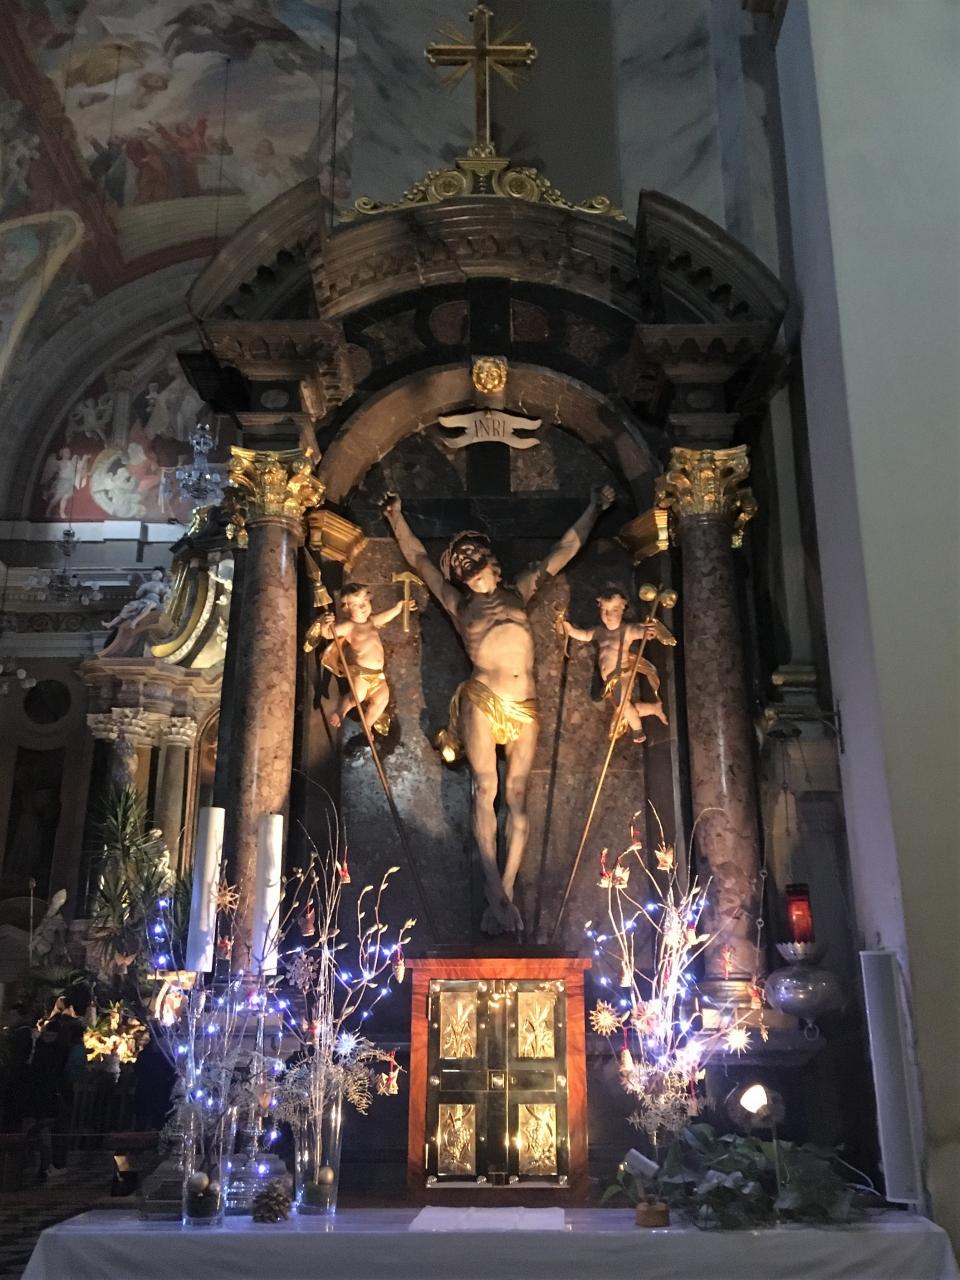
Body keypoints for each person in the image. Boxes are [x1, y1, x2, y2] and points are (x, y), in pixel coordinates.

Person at [383, 484, 614, 933]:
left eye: (471, 554)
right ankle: (493, 887)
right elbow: (419, 560)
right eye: (458, 561)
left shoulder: (519, 591)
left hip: (524, 704)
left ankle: (504, 892)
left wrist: (594, 506)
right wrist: (395, 518)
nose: (465, 562)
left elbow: (564, 549)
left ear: (490, 559)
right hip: (483, 698)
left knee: (518, 794)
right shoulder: (458, 605)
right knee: (485, 786)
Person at [561, 588, 675, 743]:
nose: (608, 615)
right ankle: (653, 709)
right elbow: (585, 635)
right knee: (623, 708)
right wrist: (570, 630)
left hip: (622, 675)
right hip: (608, 681)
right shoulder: (599, 631)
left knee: (622, 705)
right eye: (604, 610)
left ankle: (638, 730)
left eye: (614, 610)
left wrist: (647, 632)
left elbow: (638, 630)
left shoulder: (626, 630)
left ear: (623, 610)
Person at [304, 582, 411, 736]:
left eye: (365, 601)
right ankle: (341, 712)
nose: (363, 606)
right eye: (357, 605)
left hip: (378, 675)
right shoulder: (350, 626)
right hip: (362, 674)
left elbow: (385, 617)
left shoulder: (371, 621)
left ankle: (367, 724)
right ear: (347, 608)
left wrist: (398, 608)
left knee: (383, 698)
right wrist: (326, 624)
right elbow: (328, 634)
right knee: (356, 697)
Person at [29, 981, 93, 1181]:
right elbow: (74, 1068)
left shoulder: (47, 1043)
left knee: (47, 1127)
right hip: (60, 1090)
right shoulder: (68, 1046)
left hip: (46, 1088)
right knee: (58, 1128)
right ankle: (55, 1164)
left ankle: (46, 1165)